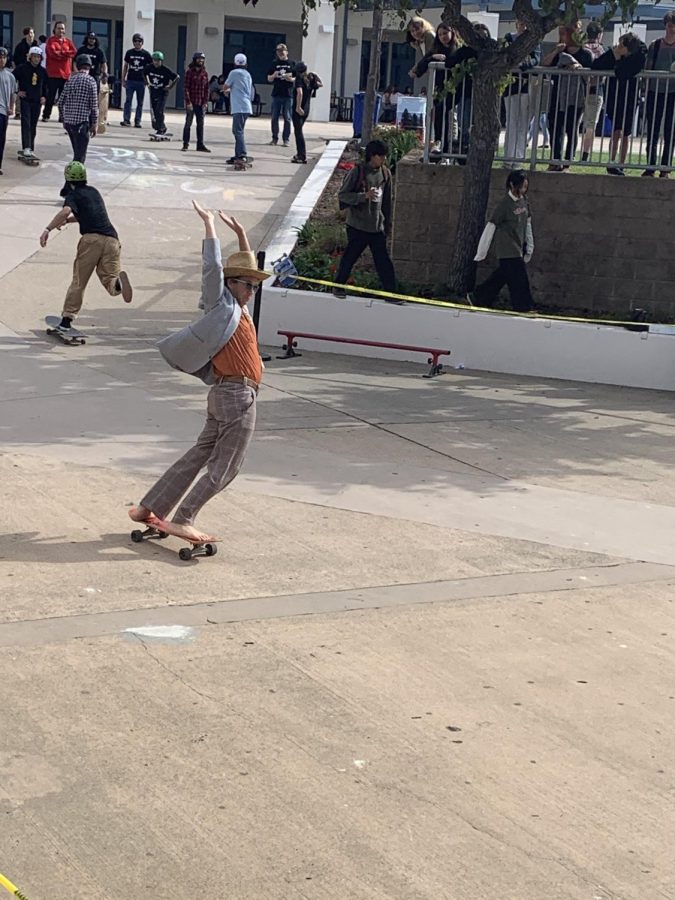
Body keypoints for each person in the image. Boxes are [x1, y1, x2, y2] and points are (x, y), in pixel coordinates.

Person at [128, 200, 267, 544]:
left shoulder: (240, 310)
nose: (252, 291)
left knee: (198, 455)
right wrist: (209, 227)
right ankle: (184, 518)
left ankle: (149, 507)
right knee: (227, 465)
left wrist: (242, 236)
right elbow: (212, 269)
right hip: (236, 396)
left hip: (225, 395)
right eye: (248, 285)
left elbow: (241, 270)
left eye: (255, 286)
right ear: (231, 284)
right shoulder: (221, 305)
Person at [39, 161, 133, 332]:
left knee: (79, 281)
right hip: (112, 240)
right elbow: (90, 214)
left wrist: (48, 229)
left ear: (68, 179)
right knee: (109, 278)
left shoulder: (73, 196)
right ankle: (118, 283)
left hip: (91, 241)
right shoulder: (94, 192)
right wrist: (69, 221)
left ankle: (66, 321)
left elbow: (65, 211)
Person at [334, 139, 398, 301]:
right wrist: (364, 196)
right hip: (357, 225)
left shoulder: (385, 173)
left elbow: (387, 202)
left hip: (377, 226)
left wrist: (387, 224)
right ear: (372, 156)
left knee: (383, 261)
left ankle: (391, 292)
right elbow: (343, 195)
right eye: (380, 156)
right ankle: (338, 286)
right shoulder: (358, 172)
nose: (383, 159)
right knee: (350, 257)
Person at [469, 169, 534, 313]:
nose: (523, 190)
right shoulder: (505, 205)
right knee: (519, 279)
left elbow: (527, 223)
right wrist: (482, 251)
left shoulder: (524, 202)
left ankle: (478, 297)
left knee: (501, 277)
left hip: (518, 246)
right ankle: (523, 306)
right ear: (512, 185)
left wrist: (530, 245)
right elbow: (491, 227)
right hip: (507, 249)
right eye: (521, 186)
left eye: (525, 187)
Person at [589, 34, 646, 175]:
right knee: (616, 130)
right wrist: (614, 54)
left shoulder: (638, 56)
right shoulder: (614, 54)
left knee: (626, 132)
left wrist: (618, 62)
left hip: (630, 96)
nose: (618, 47)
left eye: (622, 46)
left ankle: (622, 163)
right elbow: (596, 65)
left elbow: (623, 71)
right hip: (614, 94)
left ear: (629, 48)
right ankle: (611, 161)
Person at [542, 23, 593, 171]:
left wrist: (578, 67)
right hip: (558, 94)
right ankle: (555, 159)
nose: (563, 35)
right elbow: (544, 64)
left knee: (572, 128)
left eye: (565, 32)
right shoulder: (559, 52)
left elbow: (590, 77)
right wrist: (556, 51)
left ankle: (568, 160)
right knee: (555, 127)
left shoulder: (585, 54)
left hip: (576, 97)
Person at [415, 23, 461, 154]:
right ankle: (440, 143)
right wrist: (433, 57)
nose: (443, 37)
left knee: (447, 113)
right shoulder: (436, 49)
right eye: (440, 34)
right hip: (439, 88)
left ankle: (449, 145)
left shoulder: (458, 48)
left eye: (445, 33)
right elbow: (422, 64)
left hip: (454, 87)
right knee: (439, 113)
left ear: (452, 33)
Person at [502, 20, 541, 168]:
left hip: (525, 84)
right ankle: (508, 157)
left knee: (523, 123)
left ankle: (518, 159)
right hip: (510, 85)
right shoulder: (509, 38)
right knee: (511, 121)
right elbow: (504, 54)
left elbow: (536, 58)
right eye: (520, 23)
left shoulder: (533, 40)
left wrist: (524, 65)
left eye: (525, 23)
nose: (522, 26)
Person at [642, 11, 675, 177]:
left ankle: (665, 168)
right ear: (665, 26)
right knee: (653, 130)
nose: (672, 30)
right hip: (655, 91)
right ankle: (650, 166)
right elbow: (648, 68)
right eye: (670, 26)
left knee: (671, 131)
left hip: (673, 93)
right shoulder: (655, 45)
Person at [58, 54, 98, 164]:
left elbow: (60, 102)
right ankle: (73, 179)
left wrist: (63, 118)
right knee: (80, 156)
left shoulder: (70, 80)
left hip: (70, 123)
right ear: (89, 66)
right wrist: (94, 123)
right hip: (82, 123)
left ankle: (74, 179)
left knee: (76, 152)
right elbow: (93, 105)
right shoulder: (91, 81)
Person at [14, 46, 47, 161]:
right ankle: (26, 147)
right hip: (26, 100)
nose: (36, 59)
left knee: (33, 124)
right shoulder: (22, 68)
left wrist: (44, 96)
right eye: (34, 57)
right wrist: (17, 91)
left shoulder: (42, 71)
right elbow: (12, 78)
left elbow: (46, 85)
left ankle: (30, 147)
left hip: (37, 101)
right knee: (26, 123)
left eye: (38, 57)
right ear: (30, 57)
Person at [579, 22, 606, 163]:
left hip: (580, 88)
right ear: (599, 35)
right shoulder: (601, 50)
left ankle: (569, 153)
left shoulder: (582, 49)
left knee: (575, 123)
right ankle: (585, 154)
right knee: (591, 124)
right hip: (596, 90)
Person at [222, 53, 254, 162]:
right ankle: (237, 155)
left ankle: (241, 155)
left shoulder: (233, 73)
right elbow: (244, 90)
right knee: (239, 130)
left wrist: (226, 90)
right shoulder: (247, 74)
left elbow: (225, 86)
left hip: (239, 107)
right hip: (246, 106)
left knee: (237, 131)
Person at [43, 22, 77, 122]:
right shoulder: (50, 41)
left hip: (65, 74)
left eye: (62, 28)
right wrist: (66, 54)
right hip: (53, 74)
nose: (61, 30)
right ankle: (46, 115)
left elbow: (74, 52)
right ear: (55, 29)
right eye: (58, 28)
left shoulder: (68, 42)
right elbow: (52, 54)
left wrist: (61, 53)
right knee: (51, 96)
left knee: (64, 98)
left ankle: (62, 116)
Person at [267, 43, 295, 146]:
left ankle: (286, 139)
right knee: (274, 117)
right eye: (279, 51)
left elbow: (296, 78)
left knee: (287, 117)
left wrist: (290, 78)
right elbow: (268, 78)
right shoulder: (274, 63)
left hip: (288, 94)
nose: (281, 53)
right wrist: (274, 75)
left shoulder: (292, 63)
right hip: (276, 93)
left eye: (282, 51)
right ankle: (274, 138)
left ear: (286, 52)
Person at [121, 33, 152, 127]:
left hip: (141, 81)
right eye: (135, 41)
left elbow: (150, 68)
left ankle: (138, 121)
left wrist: (148, 80)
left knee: (140, 102)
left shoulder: (146, 54)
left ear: (142, 43)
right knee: (128, 100)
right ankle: (126, 120)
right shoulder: (129, 53)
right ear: (133, 42)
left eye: (139, 41)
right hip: (130, 80)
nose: (137, 43)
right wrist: (123, 79)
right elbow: (126, 66)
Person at [145, 51, 178, 136]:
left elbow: (177, 77)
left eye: (158, 61)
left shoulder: (165, 70)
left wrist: (170, 86)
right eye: (154, 60)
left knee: (159, 110)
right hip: (153, 91)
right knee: (155, 111)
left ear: (161, 61)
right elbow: (144, 74)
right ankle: (162, 127)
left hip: (162, 92)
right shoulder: (149, 67)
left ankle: (161, 129)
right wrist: (147, 83)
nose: (156, 62)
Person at [182, 51, 210, 152]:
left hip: (201, 102)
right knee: (188, 123)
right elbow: (186, 88)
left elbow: (207, 89)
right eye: (199, 59)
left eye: (202, 59)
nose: (201, 61)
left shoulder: (205, 73)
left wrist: (206, 102)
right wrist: (188, 102)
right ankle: (185, 144)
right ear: (195, 60)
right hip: (191, 102)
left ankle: (200, 144)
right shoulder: (190, 72)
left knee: (200, 124)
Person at [406, 16, 436, 93]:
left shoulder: (429, 35)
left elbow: (429, 56)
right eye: (412, 31)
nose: (415, 33)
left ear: (424, 27)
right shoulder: (420, 41)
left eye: (417, 29)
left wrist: (417, 70)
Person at [291, 61, 311, 164]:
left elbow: (299, 92)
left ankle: (301, 155)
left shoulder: (299, 79)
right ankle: (300, 154)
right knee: (299, 131)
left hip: (298, 109)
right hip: (307, 108)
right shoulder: (310, 79)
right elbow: (320, 84)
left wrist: (298, 106)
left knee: (298, 132)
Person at [0, 47, 16, 174]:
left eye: (4, 57)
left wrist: (12, 107)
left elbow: (12, 94)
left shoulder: (10, 76)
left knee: (1, 139)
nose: (2, 60)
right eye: (0, 57)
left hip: (3, 111)